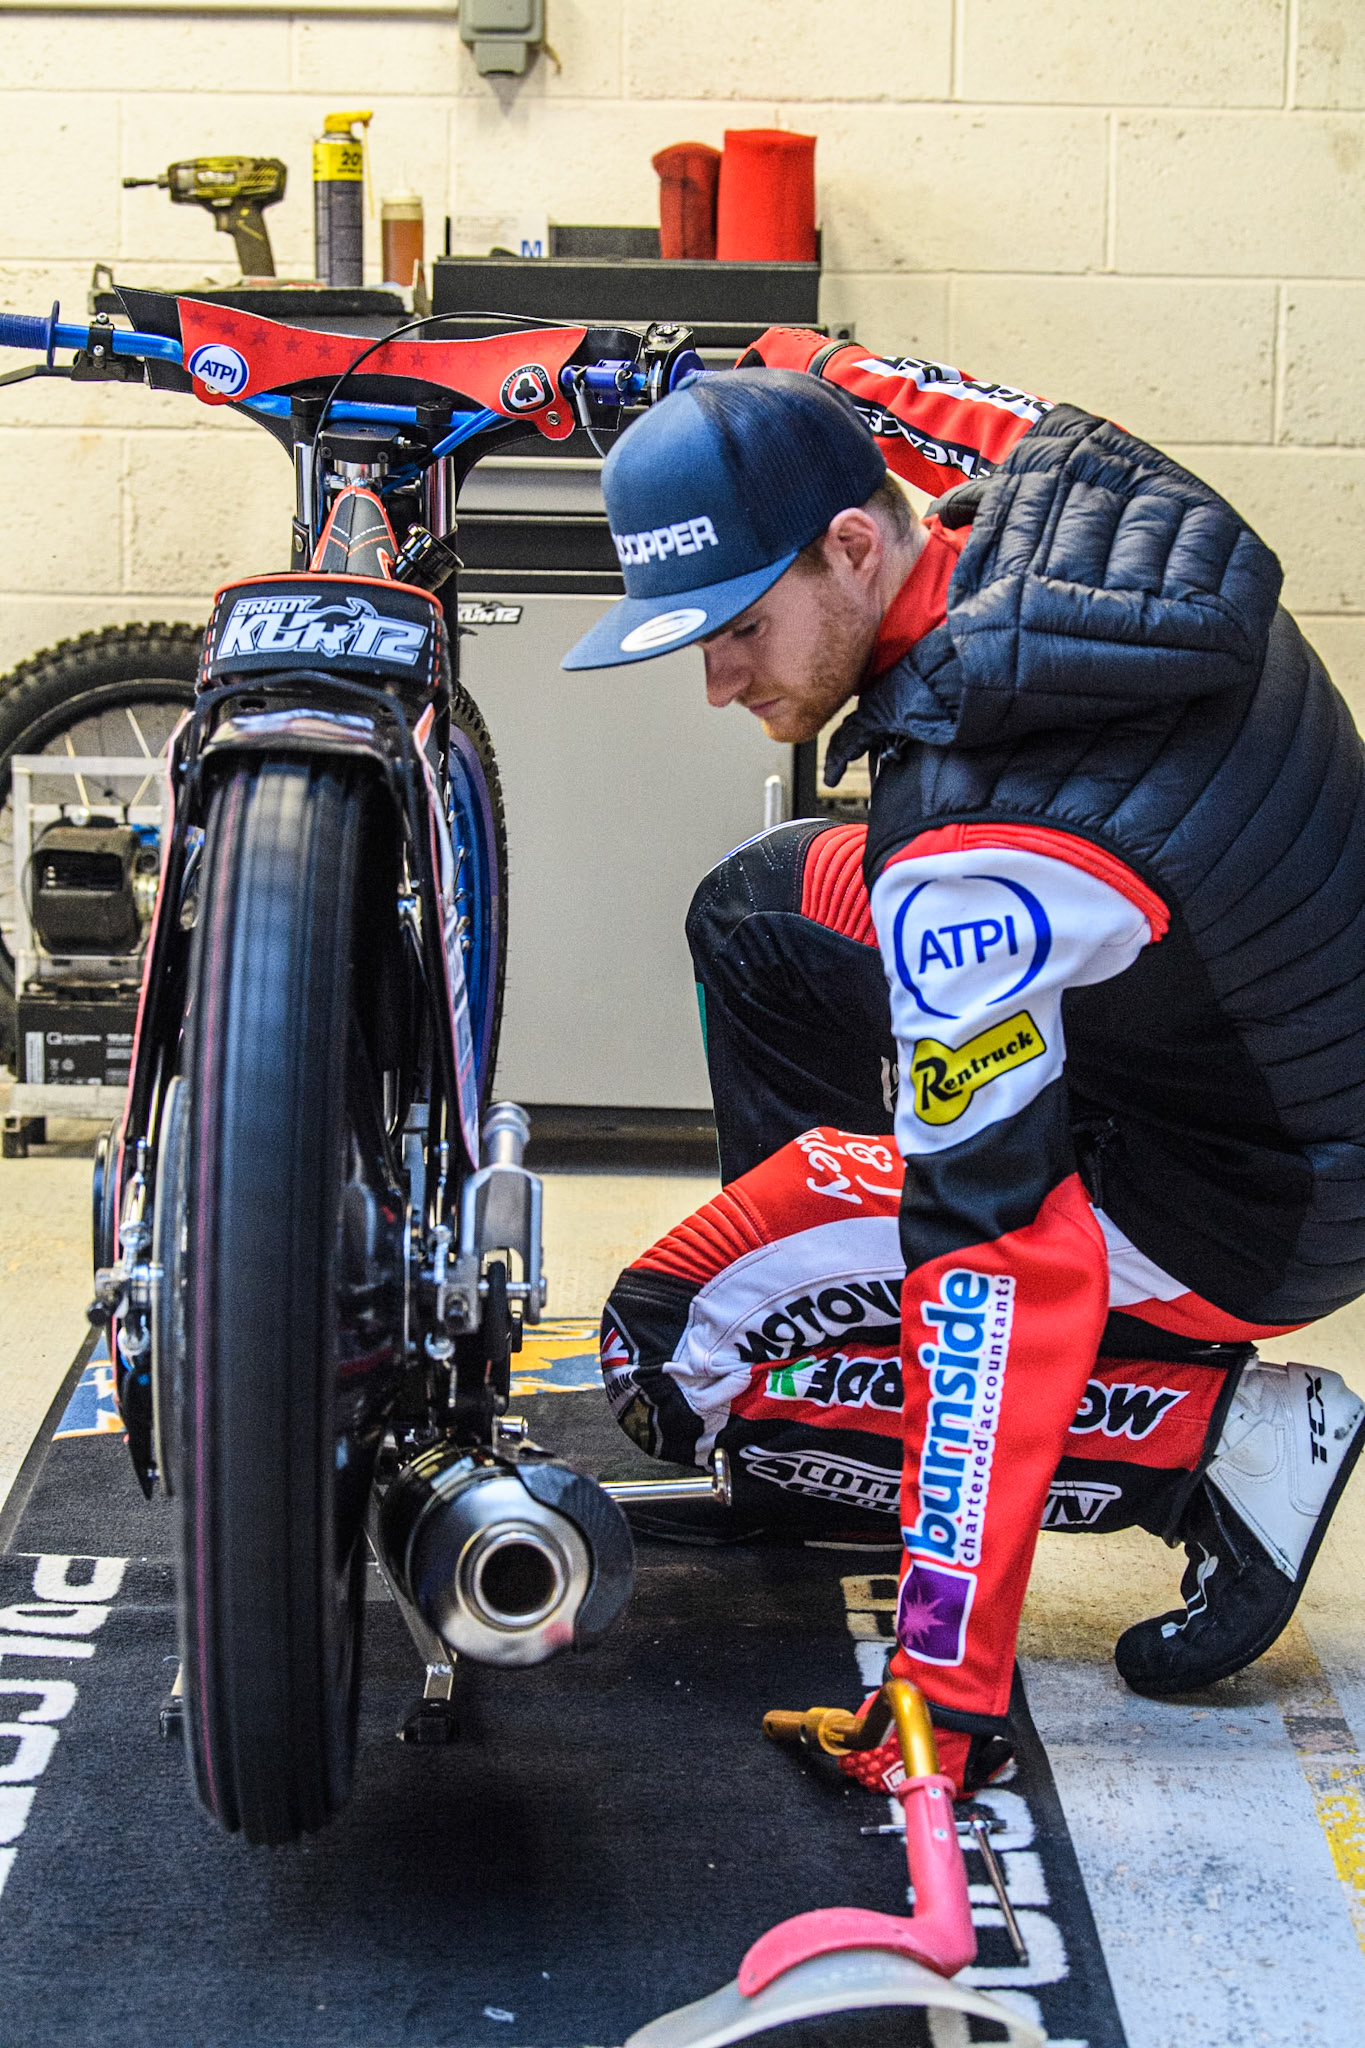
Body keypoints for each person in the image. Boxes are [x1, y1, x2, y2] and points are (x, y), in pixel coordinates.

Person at [561, 329, 1365, 1793]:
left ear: (853, 547)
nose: (717, 678)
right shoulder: (1072, 476)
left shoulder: (969, 863)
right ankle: (852, 1367)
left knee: (670, 1334)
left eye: (737, 623)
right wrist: (724, 365)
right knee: (756, 912)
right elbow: (892, 393)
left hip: (1243, 1203)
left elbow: (1002, 1264)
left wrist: (942, 1686)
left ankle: (1212, 1445)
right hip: (1268, 1036)